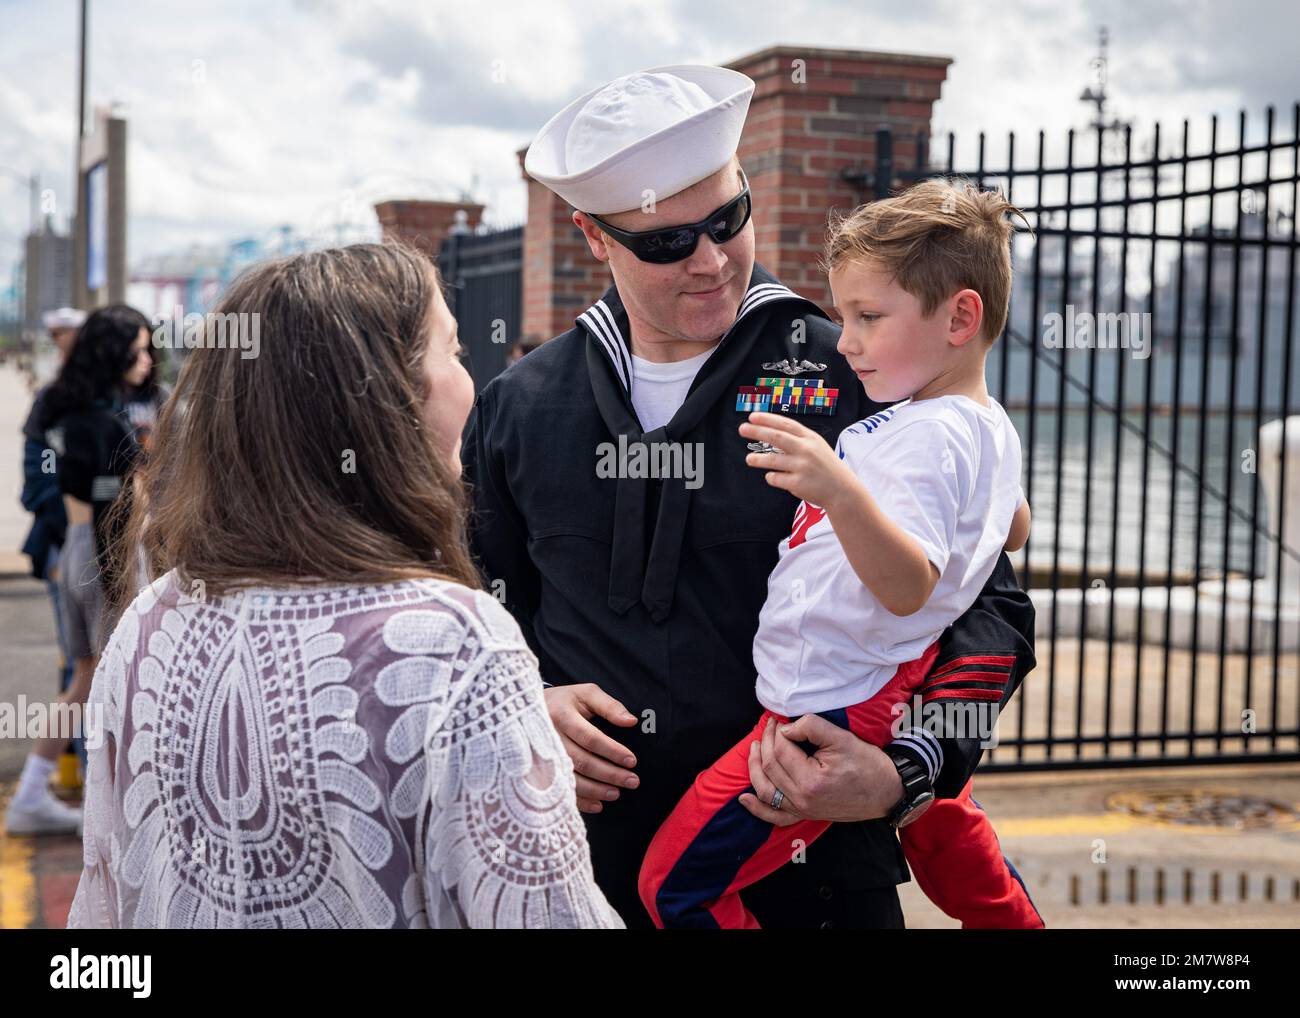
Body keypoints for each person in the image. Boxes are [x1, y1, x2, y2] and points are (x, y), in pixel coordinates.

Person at [465, 65, 1037, 929]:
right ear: (592, 236)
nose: (709, 260)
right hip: (575, 873)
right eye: (665, 243)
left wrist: (912, 767)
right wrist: (524, 708)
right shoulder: (517, 407)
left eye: (728, 220)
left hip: (817, 878)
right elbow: (463, 612)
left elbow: (991, 608)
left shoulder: (861, 371)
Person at [67, 243, 622, 929]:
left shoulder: (151, 619)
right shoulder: (458, 642)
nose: (468, 384)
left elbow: (104, 905)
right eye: (453, 353)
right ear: (389, 400)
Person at [638, 179, 1044, 928]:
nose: (846, 342)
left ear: (961, 317)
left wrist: (837, 488)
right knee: (954, 846)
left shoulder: (925, 434)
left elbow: (908, 587)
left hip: (825, 707)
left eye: (867, 318)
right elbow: (1009, 530)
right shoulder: (983, 425)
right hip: (884, 682)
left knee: (671, 888)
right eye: (842, 317)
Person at [5, 305, 152, 836]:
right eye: (136, 349)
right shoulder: (108, 421)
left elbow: (66, 483)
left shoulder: (63, 408)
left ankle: (34, 793)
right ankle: (111, 807)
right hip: (104, 550)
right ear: (113, 354)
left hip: (72, 546)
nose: (147, 359)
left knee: (85, 678)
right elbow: (114, 496)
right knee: (116, 678)